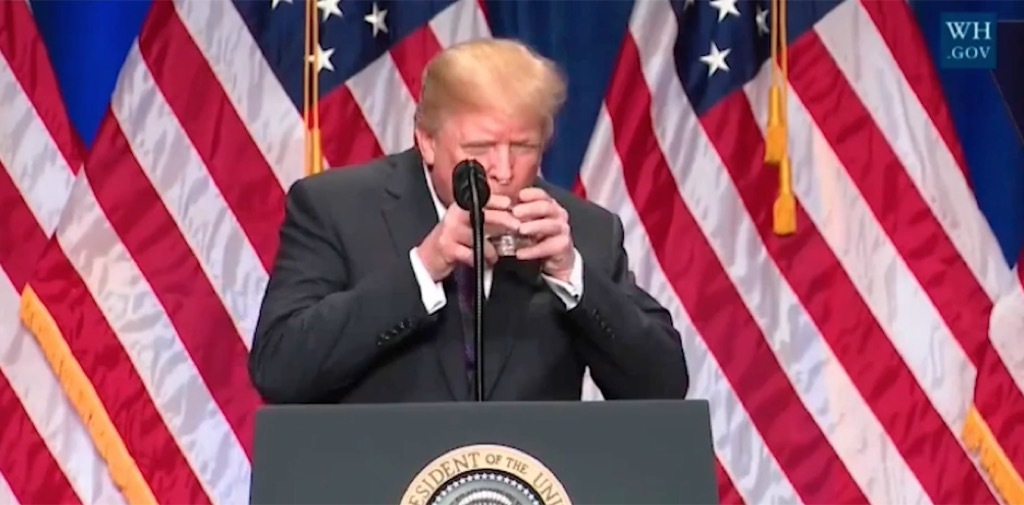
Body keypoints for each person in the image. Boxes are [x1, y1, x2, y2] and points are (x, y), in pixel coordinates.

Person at [249, 38, 688, 404]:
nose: (502, 169)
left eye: (523, 147)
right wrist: (424, 267)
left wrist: (573, 277)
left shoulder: (584, 231)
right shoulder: (335, 208)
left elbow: (663, 387)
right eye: (479, 147)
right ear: (427, 141)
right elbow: (280, 368)